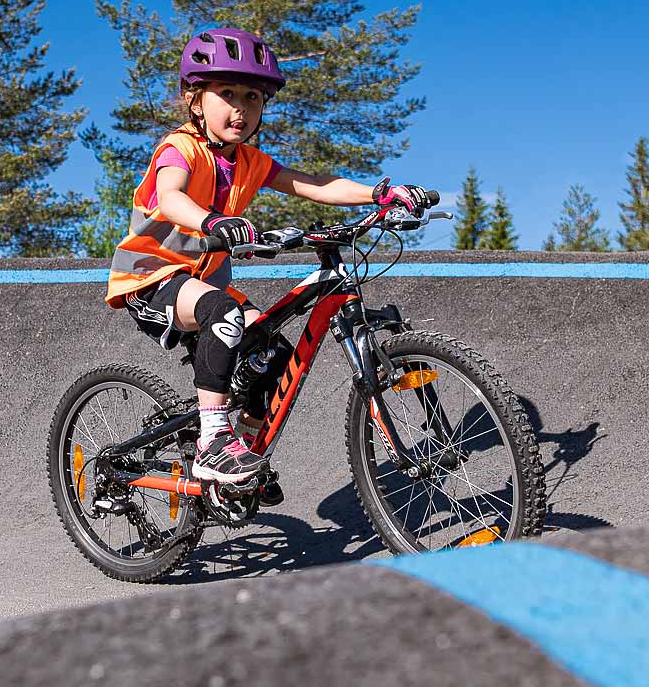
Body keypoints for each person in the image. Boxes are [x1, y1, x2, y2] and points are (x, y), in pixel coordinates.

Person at [105, 26, 429, 486]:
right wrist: (212, 221)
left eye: (254, 97)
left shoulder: (250, 161)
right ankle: (212, 442)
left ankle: (246, 452)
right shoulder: (180, 149)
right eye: (228, 93)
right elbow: (170, 196)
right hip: (150, 277)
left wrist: (380, 194)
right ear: (195, 100)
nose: (241, 108)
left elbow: (315, 184)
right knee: (224, 315)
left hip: (204, 281)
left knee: (274, 352)